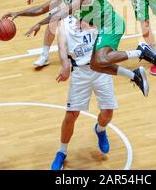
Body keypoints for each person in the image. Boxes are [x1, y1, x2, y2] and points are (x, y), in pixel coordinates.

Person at [3, 0, 156, 97]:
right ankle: (134, 75)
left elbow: (64, 13)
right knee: (95, 65)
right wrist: (18, 13)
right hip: (101, 29)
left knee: (101, 59)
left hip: (111, 24)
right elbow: (41, 8)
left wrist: (39, 24)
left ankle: (141, 52)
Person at [50, 15, 120, 170]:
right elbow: (61, 48)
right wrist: (64, 65)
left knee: (108, 113)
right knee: (71, 115)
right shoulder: (64, 24)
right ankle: (61, 152)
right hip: (80, 72)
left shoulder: (96, 15)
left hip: (101, 69)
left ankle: (100, 129)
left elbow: (109, 35)